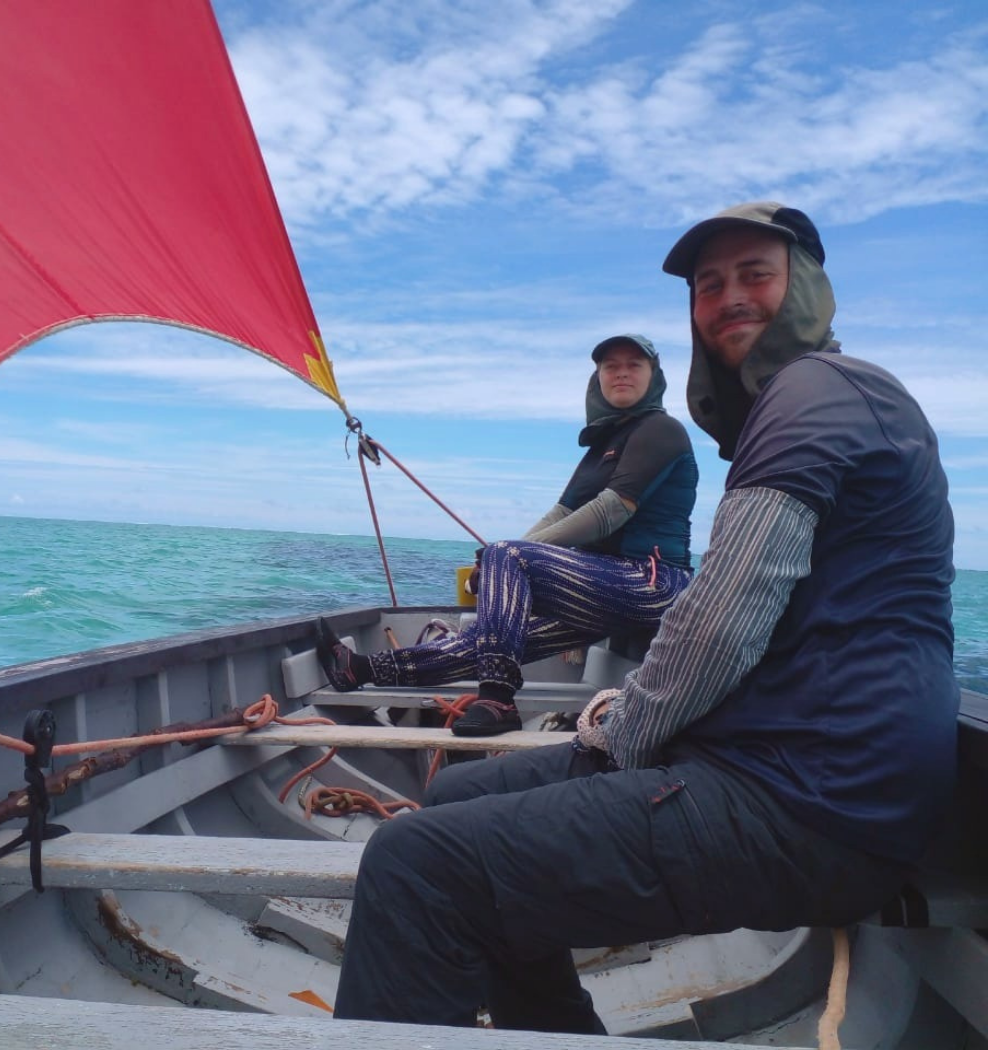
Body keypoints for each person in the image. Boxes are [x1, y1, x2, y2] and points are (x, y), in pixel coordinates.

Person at [331, 202, 958, 1034]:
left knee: (414, 865)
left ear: (806, 287)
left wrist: (621, 728)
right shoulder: (794, 403)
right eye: (708, 284)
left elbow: (724, 616)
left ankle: (463, 681)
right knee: (456, 794)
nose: (729, 296)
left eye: (755, 274)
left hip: (815, 804)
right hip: (774, 762)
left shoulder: (815, 393)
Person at [317, 333, 698, 737]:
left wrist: (508, 557)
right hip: (603, 585)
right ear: (598, 377)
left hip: (654, 584)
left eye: (634, 365)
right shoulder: (601, 447)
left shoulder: (662, 430)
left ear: (653, 376)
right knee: (492, 636)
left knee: (508, 558)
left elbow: (610, 511)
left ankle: (497, 699)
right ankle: (358, 670)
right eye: (610, 366)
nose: (621, 373)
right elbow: (563, 511)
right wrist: (495, 562)